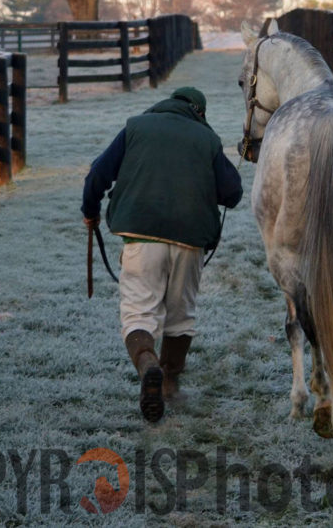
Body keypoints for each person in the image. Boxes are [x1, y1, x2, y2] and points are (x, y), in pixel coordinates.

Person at [81, 86, 242, 422]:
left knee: (139, 312)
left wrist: (90, 211)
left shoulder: (136, 126)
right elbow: (233, 193)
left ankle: (147, 364)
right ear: (199, 111)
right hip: (191, 241)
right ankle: (168, 383)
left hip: (141, 236)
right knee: (181, 313)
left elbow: (98, 173)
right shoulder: (207, 139)